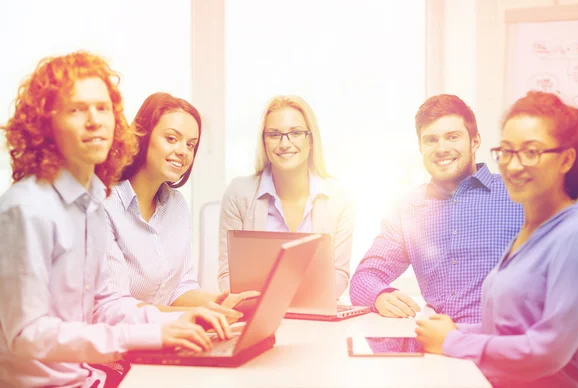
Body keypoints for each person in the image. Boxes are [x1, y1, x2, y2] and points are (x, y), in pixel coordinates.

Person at [0, 52, 231, 388]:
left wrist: (174, 323)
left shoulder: (90, 199)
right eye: (77, 109)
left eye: (103, 108)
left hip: (88, 377)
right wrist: (135, 337)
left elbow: (105, 303)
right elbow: (25, 335)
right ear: (44, 123)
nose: (95, 120)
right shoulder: (25, 209)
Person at [415, 91, 578, 387]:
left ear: (566, 160)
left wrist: (451, 342)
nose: (513, 166)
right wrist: (454, 332)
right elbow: (507, 332)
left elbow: (547, 351)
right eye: (508, 152)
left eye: (531, 152)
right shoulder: (531, 232)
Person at [350, 94, 523, 323]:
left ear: (475, 141)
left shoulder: (519, 196)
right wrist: (381, 296)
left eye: (452, 137)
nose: (441, 148)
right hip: (436, 348)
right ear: (420, 147)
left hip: (502, 347)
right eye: (431, 140)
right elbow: (363, 279)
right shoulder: (407, 208)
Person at [105, 92, 257, 315]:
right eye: (171, 139)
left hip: (170, 336)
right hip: (121, 341)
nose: (183, 151)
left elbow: (179, 289)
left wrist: (222, 302)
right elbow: (116, 307)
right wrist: (191, 316)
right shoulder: (105, 204)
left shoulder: (177, 206)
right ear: (143, 137)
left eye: (191, 145)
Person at [217, 95, 354, 297]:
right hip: (254, 313)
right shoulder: (239, 193)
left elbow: (339, 274)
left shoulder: (340, 198)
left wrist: (304, 304)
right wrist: (264, 308)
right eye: (274, 134)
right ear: (263, 142)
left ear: (311, 139)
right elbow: (227, 275)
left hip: (315, 318)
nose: (284, 144)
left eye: (296, 133)